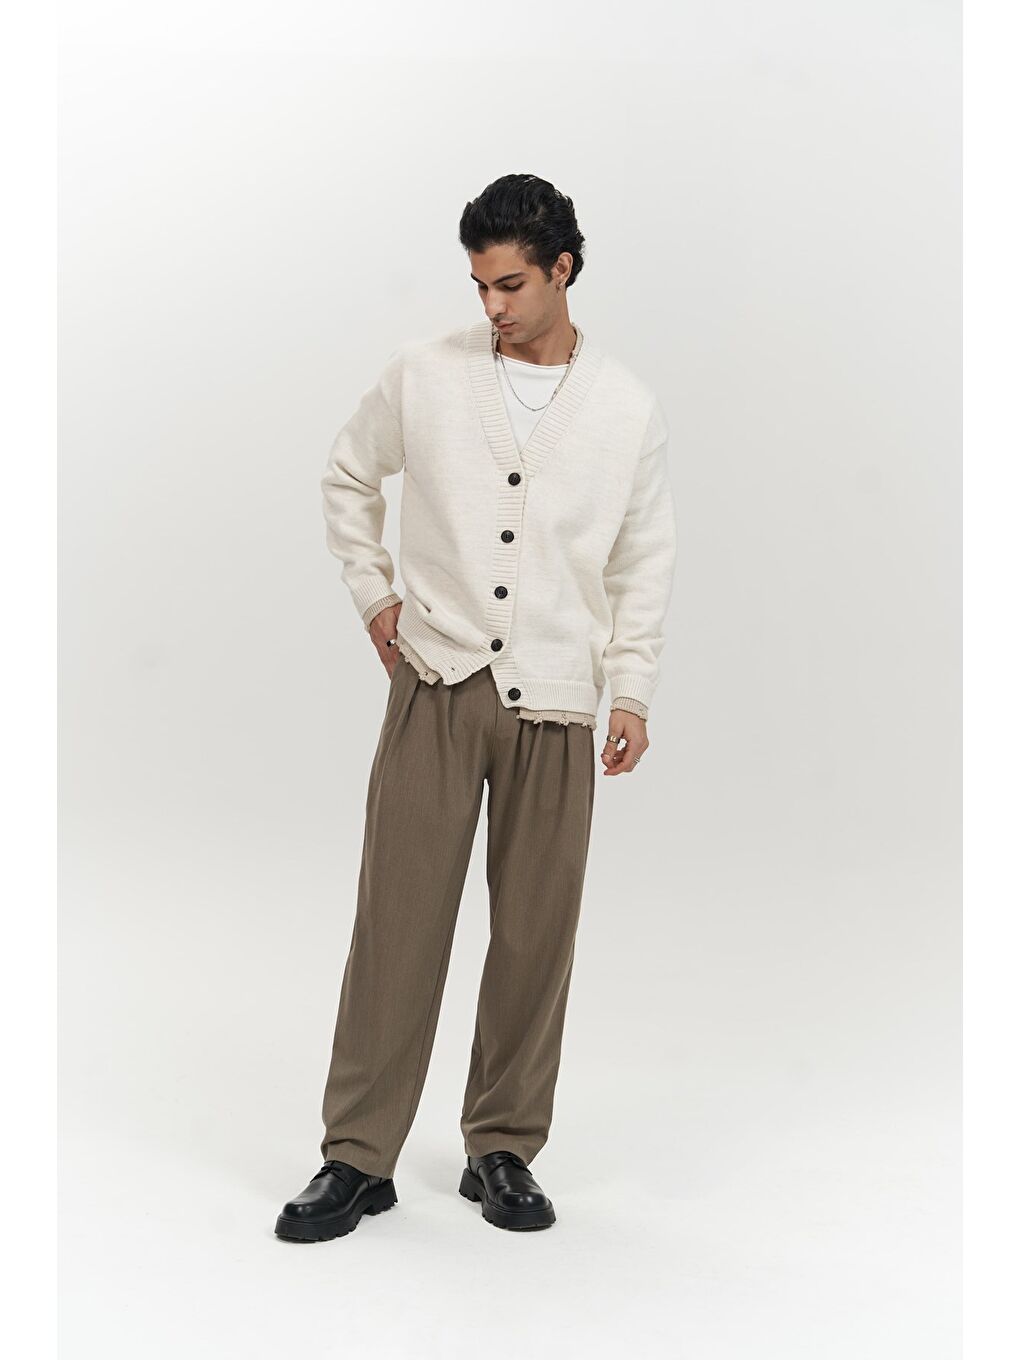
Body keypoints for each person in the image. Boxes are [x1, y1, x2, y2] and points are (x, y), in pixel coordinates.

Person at [275, 173, 677, 1241]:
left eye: (511, 285)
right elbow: (347, 475)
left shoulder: (626, 409)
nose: (492, 305)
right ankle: (357, 1156)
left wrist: (631, 685)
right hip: (438, 682)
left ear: (563, 270)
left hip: (558, 699)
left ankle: (502, 1145)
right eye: (479, 286)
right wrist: (376, 598)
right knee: (397, 922)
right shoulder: (425, 375)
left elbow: (642, 559)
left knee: (536, 937)